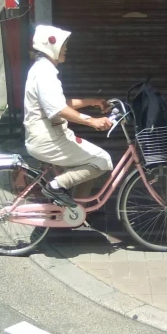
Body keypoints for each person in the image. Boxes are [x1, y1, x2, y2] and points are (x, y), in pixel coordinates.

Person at [23, 25, 113, 207]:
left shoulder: (43, 69)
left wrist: (91, 101)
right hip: (48, 139)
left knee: (92, 158)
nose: (65, 49)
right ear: (51, 46)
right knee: (102, 160)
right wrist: (92, 121)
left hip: (52, 135)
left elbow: (58, 103)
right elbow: (59, 110)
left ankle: (76, 211)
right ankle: (55, 187)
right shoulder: (45, 73)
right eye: (63, 45)